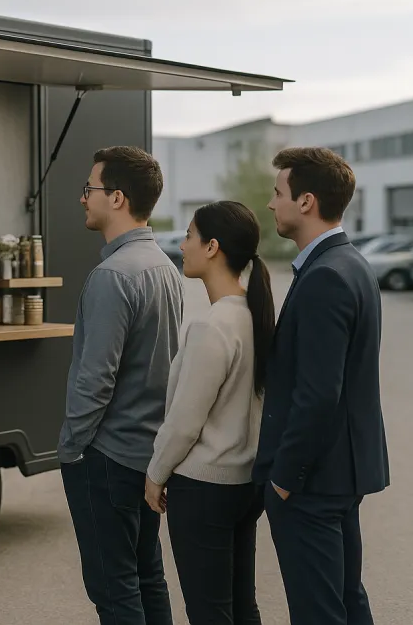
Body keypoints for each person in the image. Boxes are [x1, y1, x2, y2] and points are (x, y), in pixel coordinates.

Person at [254, 147, 389, 625]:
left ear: (306, 201)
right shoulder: (351, 264)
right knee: (347, 601)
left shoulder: (326, 275)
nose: (272, 203)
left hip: (312, 481)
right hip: (340, 475)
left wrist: (283, 480)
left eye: (278, 193)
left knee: (319, 611)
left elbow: (317, 395)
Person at [58, 146, 182, 625]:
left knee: (114, 591)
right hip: (148, 454)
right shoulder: (165, 267)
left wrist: (71, 448)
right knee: (147, 577)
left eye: (89, 188)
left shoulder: (111, 275)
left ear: (117, 198)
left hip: (107, 458)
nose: (82, 198)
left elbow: (95, 379)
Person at [144, 201, 275, 625]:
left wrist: (155, 475)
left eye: (189, 236)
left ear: (212, 247)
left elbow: (185, 422)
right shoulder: (256, 317)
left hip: (204, 489)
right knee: (241, 606)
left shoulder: (212, 326)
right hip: (246, 484)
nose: (182, 246)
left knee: (209, 612)